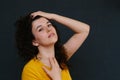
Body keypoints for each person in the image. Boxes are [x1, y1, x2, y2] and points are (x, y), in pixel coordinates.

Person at [15, 11, 90, 80]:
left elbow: (84, 30)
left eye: (49, 24)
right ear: (34, 41)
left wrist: (53, 16)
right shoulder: (30, 70)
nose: (48, 29)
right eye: (40, 29)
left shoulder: (60, 58)